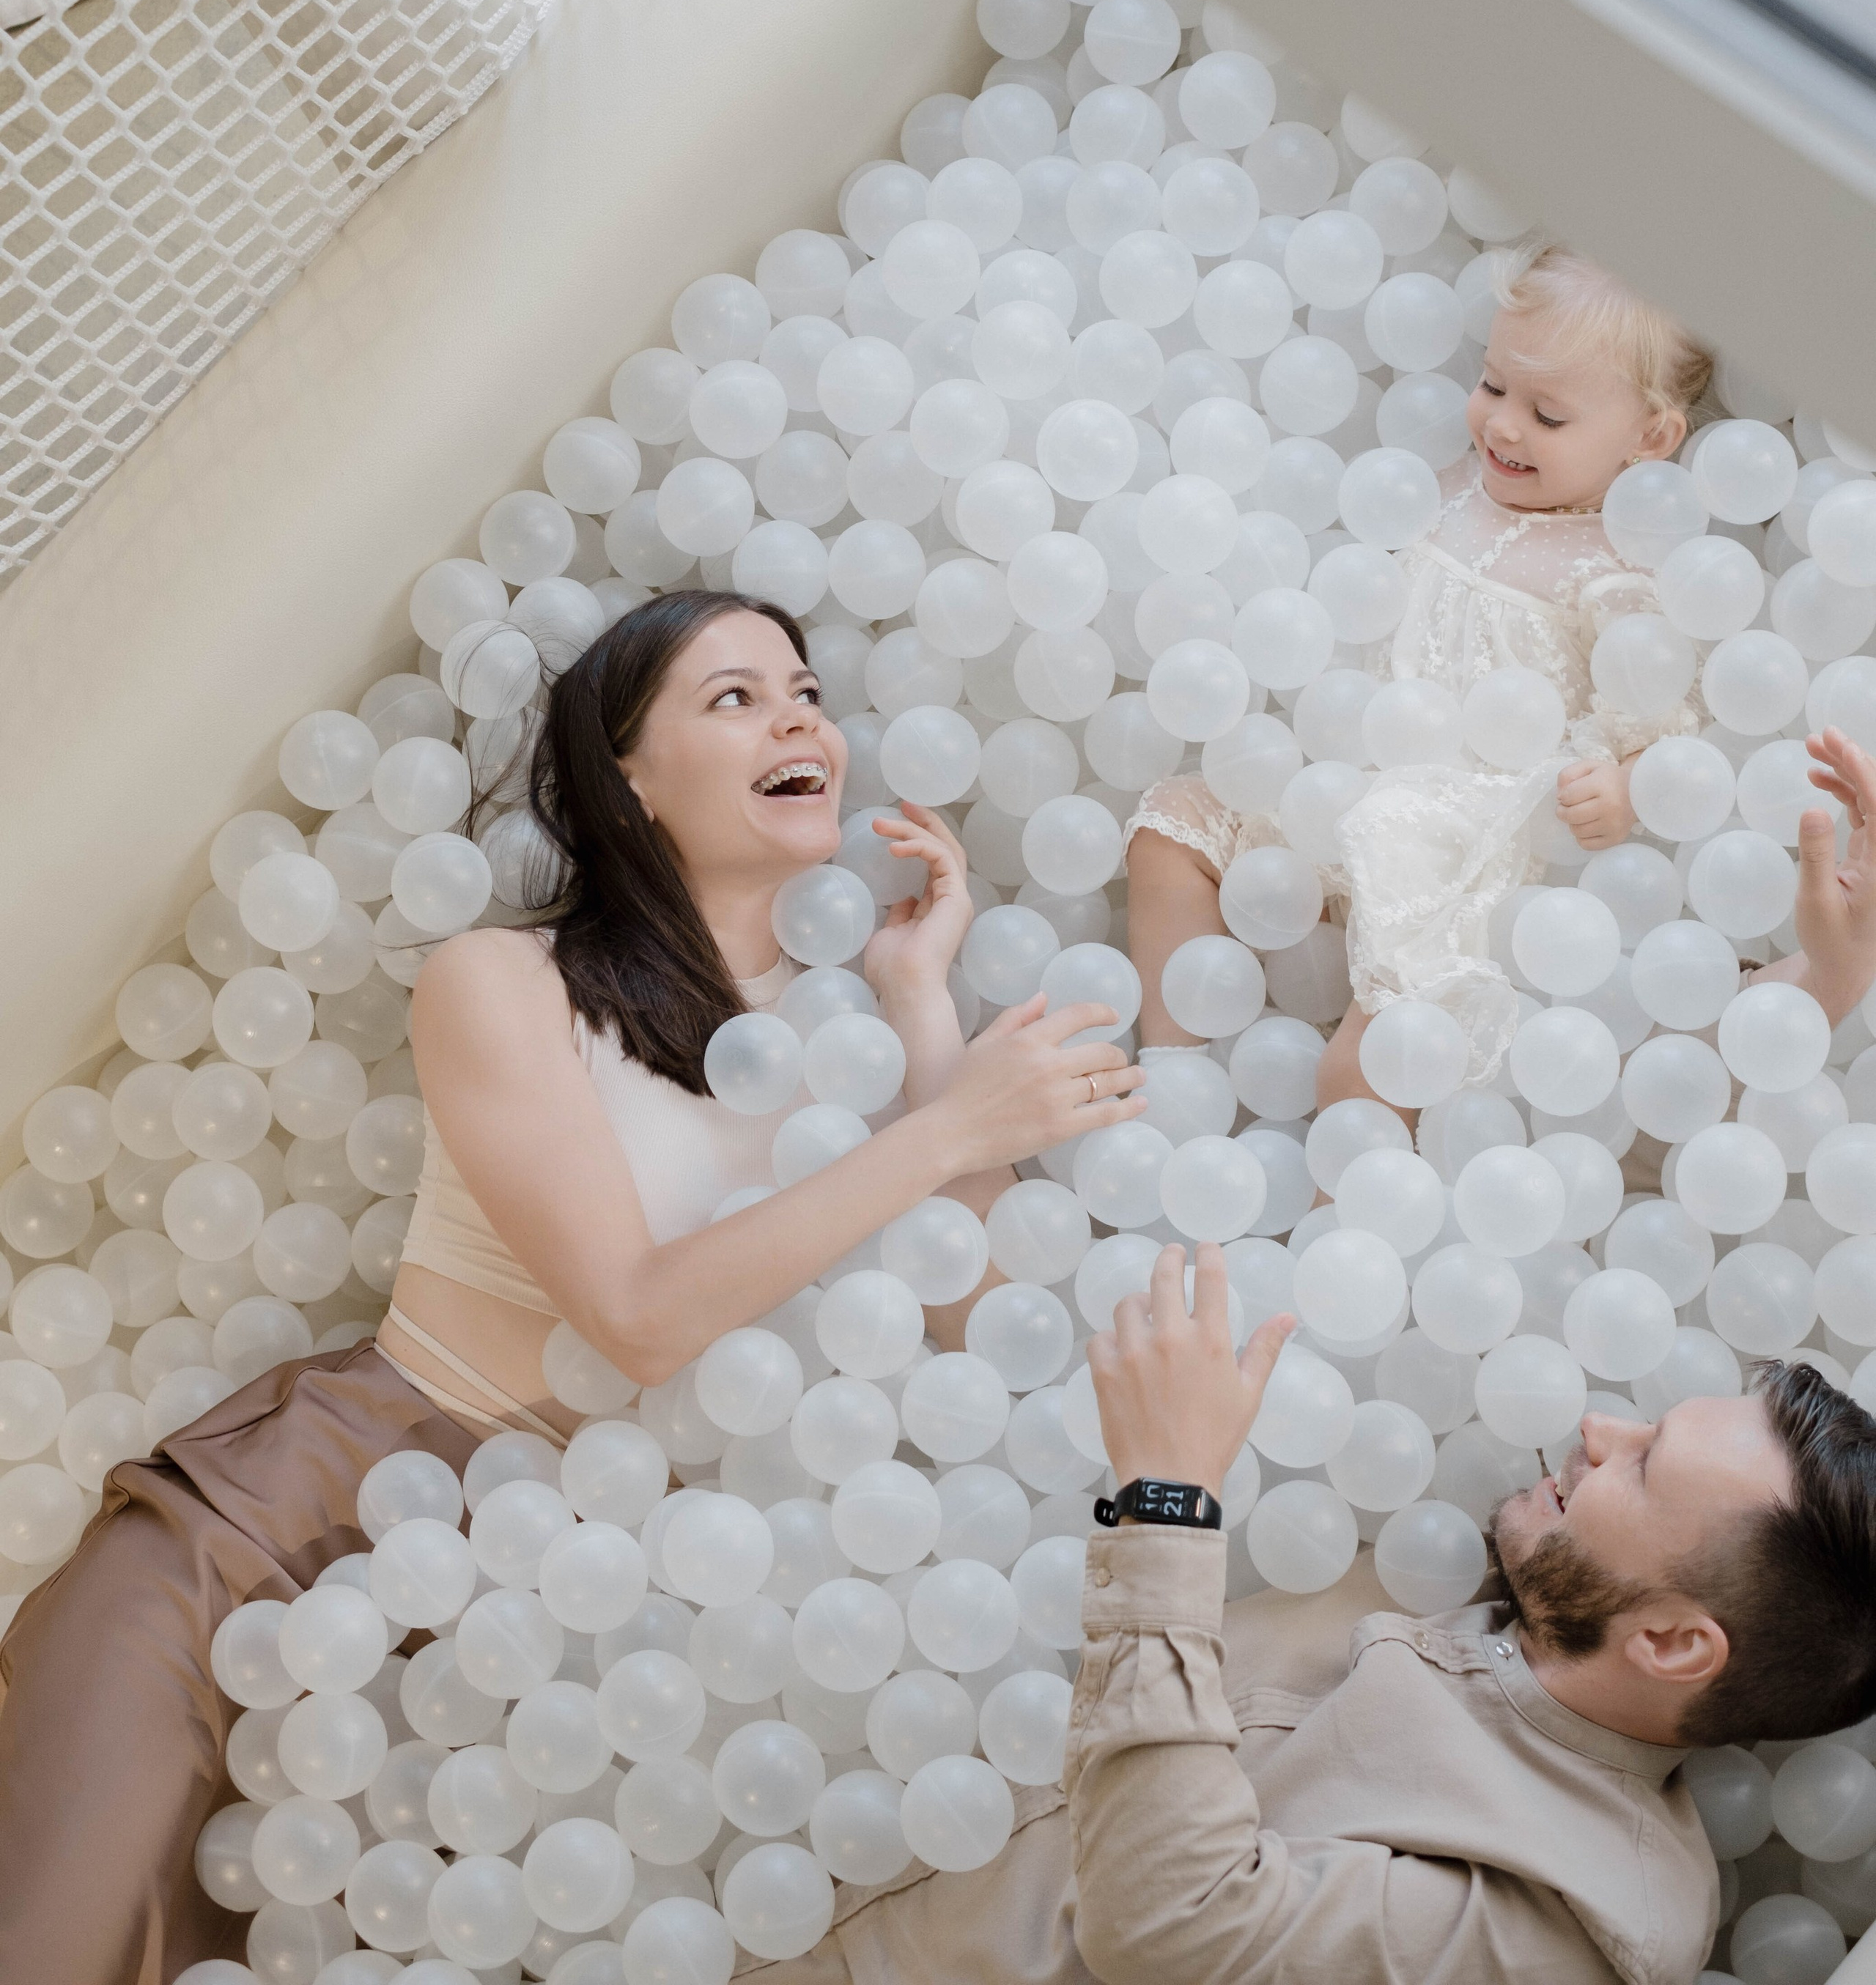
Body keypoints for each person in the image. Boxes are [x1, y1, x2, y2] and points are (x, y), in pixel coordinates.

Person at [0, 590, 1142, 1985]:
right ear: (630, 778)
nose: (799, 719)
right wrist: (952, 1127)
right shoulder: (505, 982)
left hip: (535, 1669)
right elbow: (639, 1316)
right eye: (733, 698)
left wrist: (920, 1008)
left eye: (806, 694)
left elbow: (996, 1353)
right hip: (286, 1533)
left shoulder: (859, 1062)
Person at [764, 1247, 1876, 1985]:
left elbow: (1173, 1924)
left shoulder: (1593, 1917)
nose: (1597, 1430)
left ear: (1674, 1644)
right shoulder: (1443, 1556)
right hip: (780, 1862)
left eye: (1644, 1468)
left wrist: (1167, 1499)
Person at [1129, 240, 1721, 1095]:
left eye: (1548, 416)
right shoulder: (1445, 484)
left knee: (1381, 1051)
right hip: (1334, 783)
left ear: (1650, 437)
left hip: (1453, 842)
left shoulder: (1612, 569)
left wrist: (1626, 787)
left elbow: (1665, 715)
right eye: (1492, 385)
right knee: (1169, 826)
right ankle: (1171, 1079)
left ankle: (1349, 1205)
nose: (1504, 425)